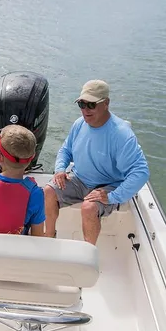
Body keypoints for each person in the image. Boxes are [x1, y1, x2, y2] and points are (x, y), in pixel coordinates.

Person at [43, 80, 149, 245]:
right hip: (79, 179)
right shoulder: (79, 124)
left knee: (89, 207)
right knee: (48, 192)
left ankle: (88, 254)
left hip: (108, 185)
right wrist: (60, 169)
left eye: (91, 105)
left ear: (106, 103)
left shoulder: (122, 134)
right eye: (81, 104)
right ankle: (49, 240)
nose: (85, 110)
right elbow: (66, 150)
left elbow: (141, 172)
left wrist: (113, 196)